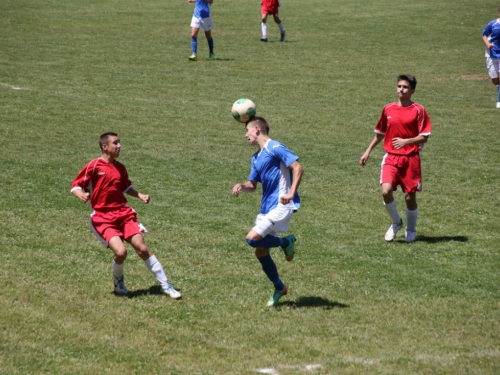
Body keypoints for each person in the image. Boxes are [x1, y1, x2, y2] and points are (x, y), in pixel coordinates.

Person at [70, 132, 181, 299]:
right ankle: (118, 281)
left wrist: (140, 195)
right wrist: (80, 195)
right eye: (115, 143)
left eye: (120, 142)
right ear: (105, 147)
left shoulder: (120, 167)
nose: (119, 146)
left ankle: (166, 286)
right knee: (121, 252)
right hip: (102, 217)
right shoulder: (93, 166)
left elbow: (125, 187)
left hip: (123, 213)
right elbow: (76, 185)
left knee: (142, 248)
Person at [231, 116, 303, 306]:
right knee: (260, 253)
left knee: (251, 238)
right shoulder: (255, 157)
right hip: (266, 208)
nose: (245, 135)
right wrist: (241, 186)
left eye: (246, 130)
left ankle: (285, 241)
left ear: (256, 129)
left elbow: (297, 167)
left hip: (282, 204)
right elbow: (253, 185)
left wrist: (291, 192)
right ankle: (280, 287)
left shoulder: (275, 147)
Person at [360, 75, 432, 243]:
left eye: (405, 87)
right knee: (386, 191)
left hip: (411, 159)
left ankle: (411, 230)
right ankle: (396, 223)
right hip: (391, 157)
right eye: (399, 86)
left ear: (412, 91)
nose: (401, 89)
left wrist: (406, 141)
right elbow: (380, 133)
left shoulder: (419, 110)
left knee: (410, 198)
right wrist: (367, 151)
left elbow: (424, 136)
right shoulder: (388, 109)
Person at [482, 6, 500, 108]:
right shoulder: (493, 24)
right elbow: (484, 34)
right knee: (495, 80)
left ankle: (499, 101)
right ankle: (498, 87)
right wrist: (488, 44)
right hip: (492, 54)